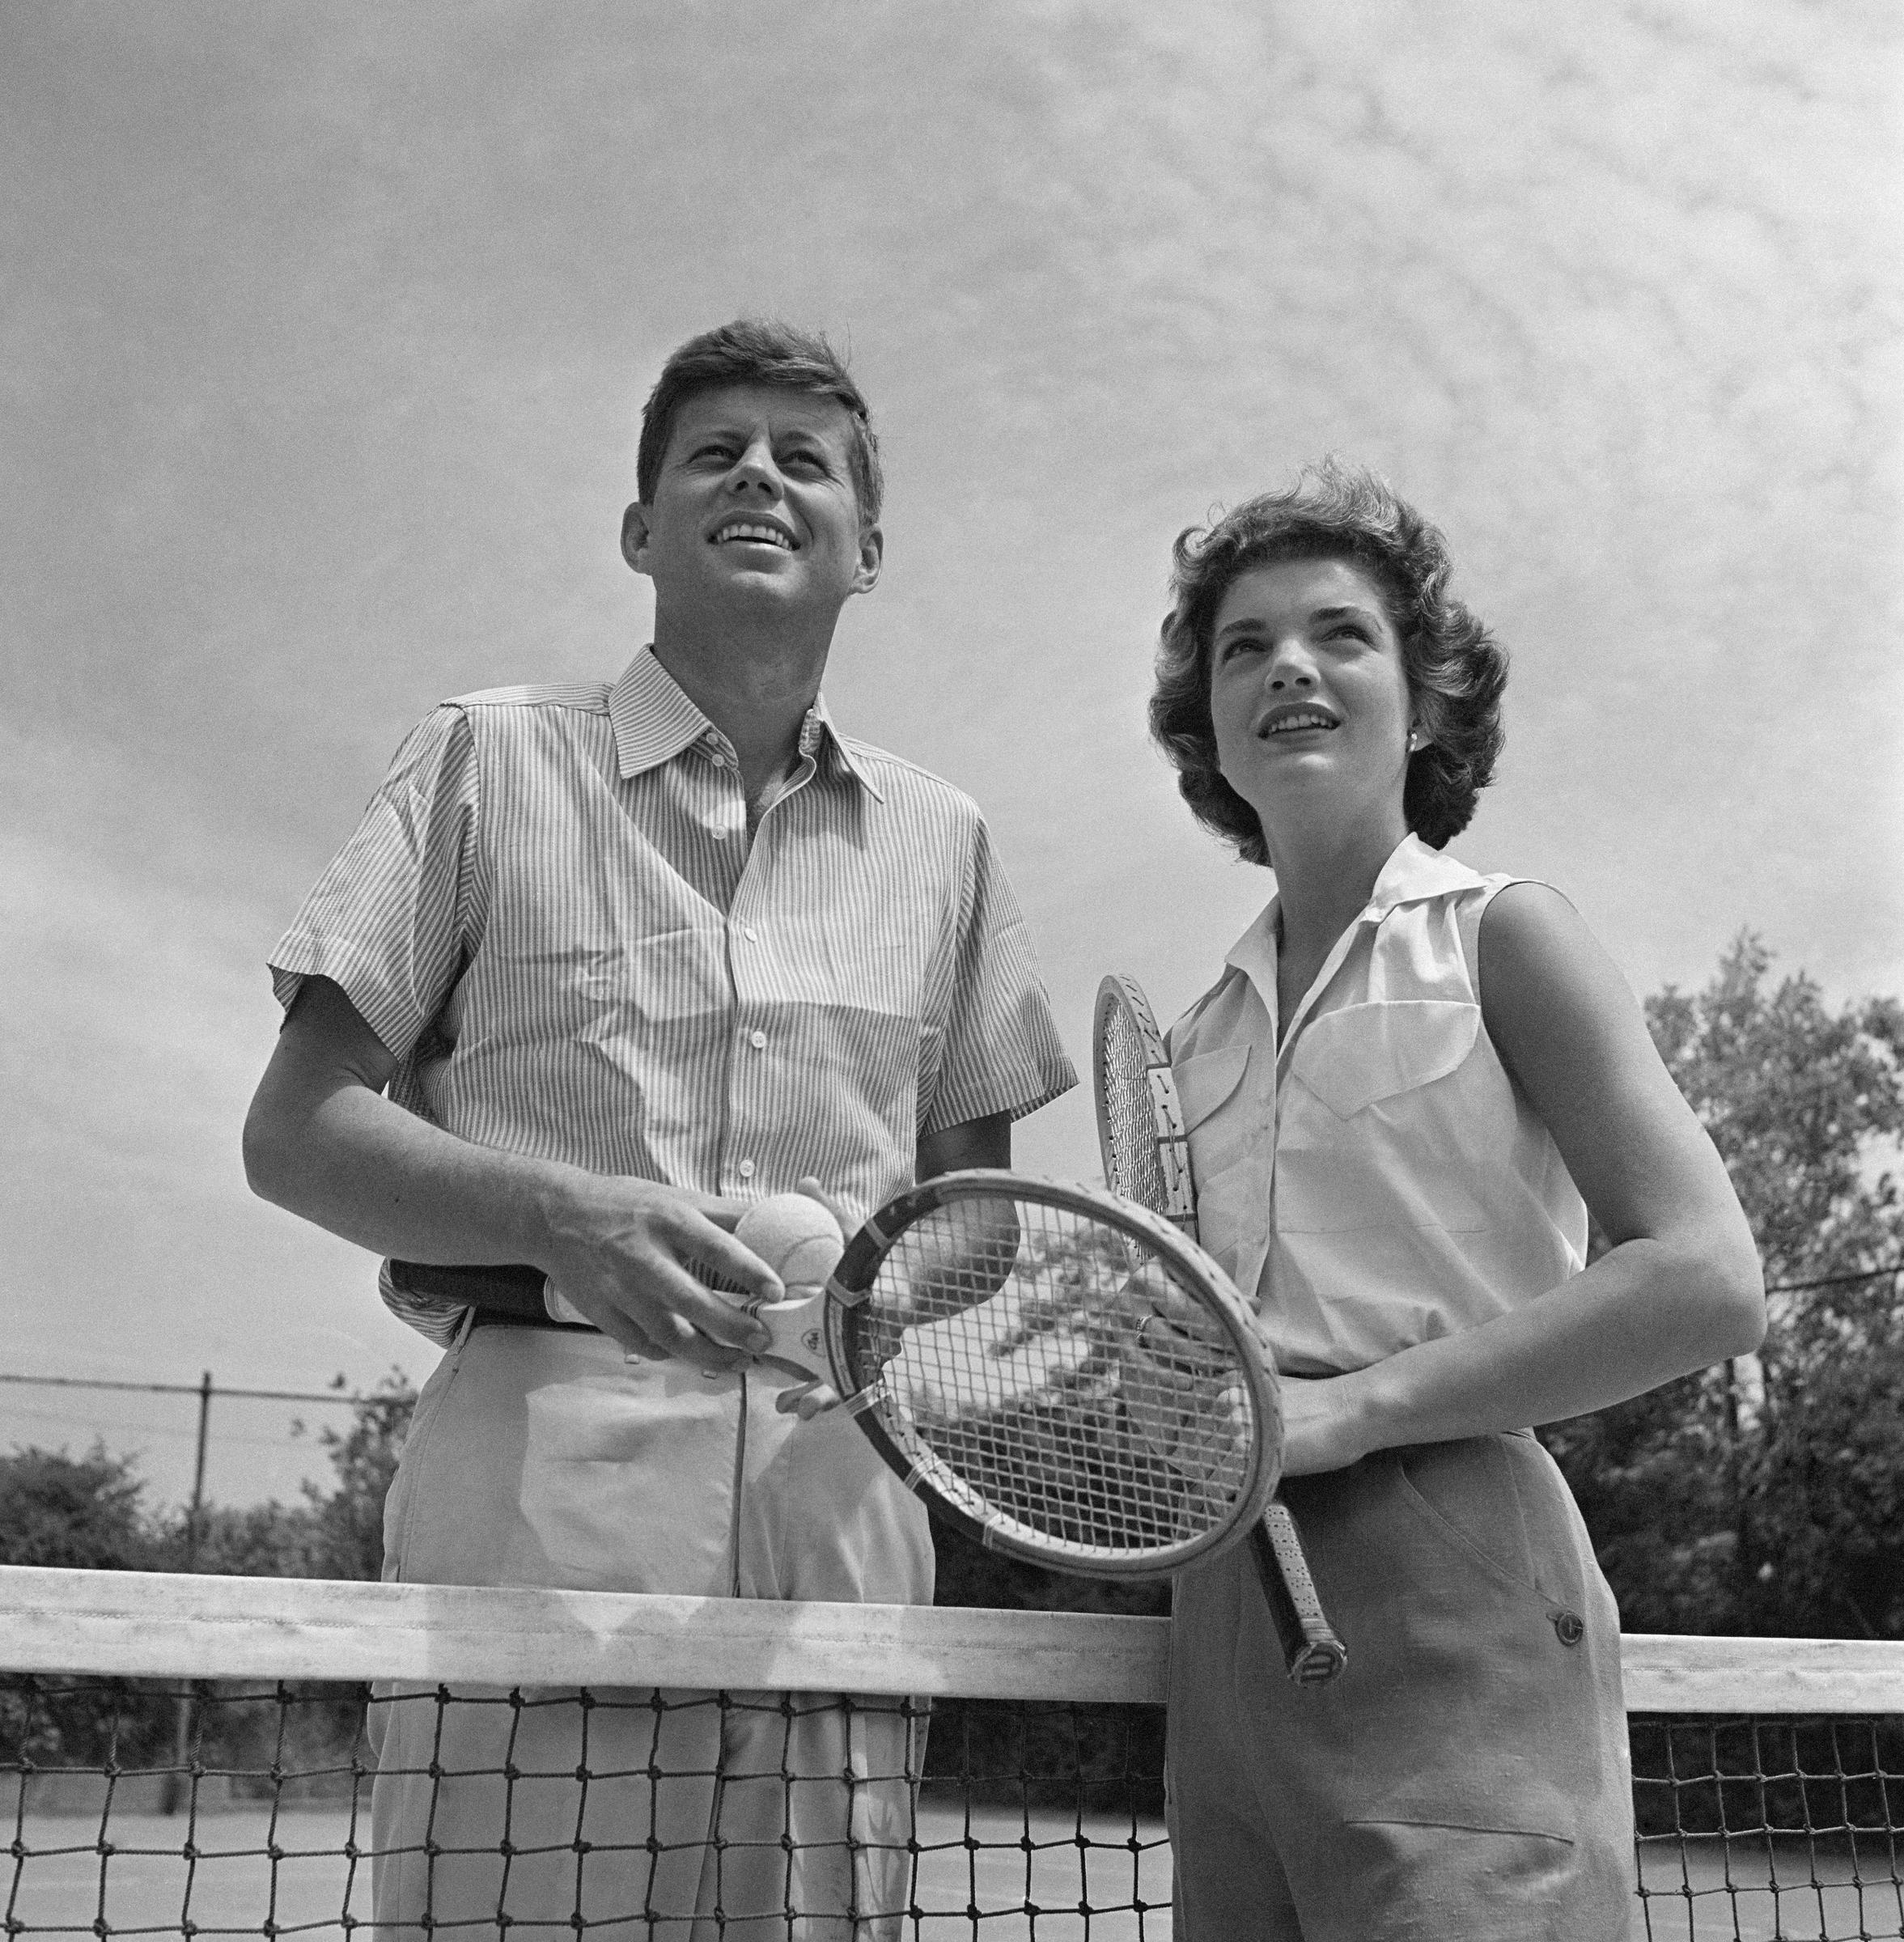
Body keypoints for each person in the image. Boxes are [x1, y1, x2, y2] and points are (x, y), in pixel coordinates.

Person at [242, 319, 1075, 1940]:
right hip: (539, 1462)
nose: (757, 473)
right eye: (713, 451)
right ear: (640, 531)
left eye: (802, 457)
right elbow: (297, 1136)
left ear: (868, 548)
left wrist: (886, 1289)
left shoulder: (949, 842)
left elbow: (979, 1207)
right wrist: (565, 1215)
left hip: (842, 1476)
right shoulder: (481, 758)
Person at [1147, 462, 1764, 1940]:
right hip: (1222, 1608)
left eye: (1338, 634)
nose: (1286, 666)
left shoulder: (1507, 936)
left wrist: (1350, 1412)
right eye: (1243, 647)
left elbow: (1704, 1276)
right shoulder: (1197, 1036)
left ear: (1422, 705)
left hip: (1454, 1568)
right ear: (1211, 727)